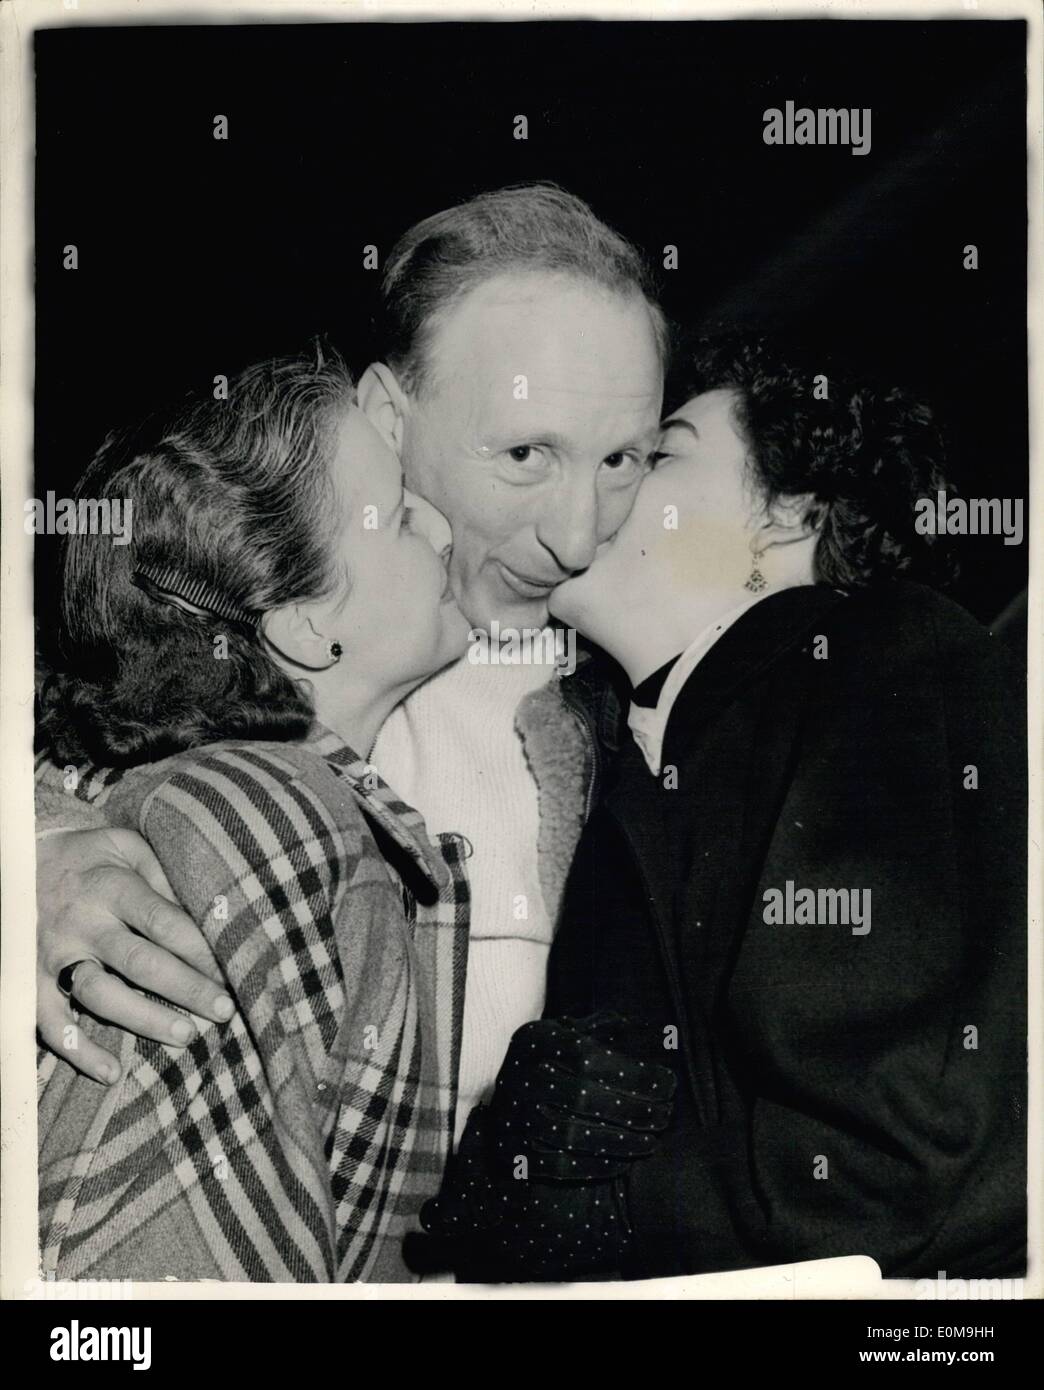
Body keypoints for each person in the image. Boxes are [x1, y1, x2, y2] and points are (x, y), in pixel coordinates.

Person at [35, 184, 666, 1152]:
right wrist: (31, 848)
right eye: (526, 454)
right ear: (388, 415)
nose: (578, 537)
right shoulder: (240, 613)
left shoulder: (646, 710)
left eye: (624, 460)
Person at [422, 335, 1026, 1281]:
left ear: (791, 513)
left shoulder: (893, 657)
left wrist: (610, 1207)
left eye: (654, 456)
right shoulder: (635, 747)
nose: (599, 496)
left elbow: (895, 1161)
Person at [36, 351, 474, 1282]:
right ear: (306, 627)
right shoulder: (264, 819)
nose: (439, 527)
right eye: (398, 514)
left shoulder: (190, 794)